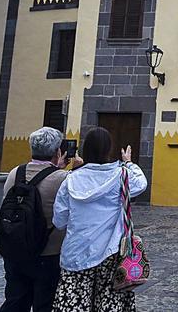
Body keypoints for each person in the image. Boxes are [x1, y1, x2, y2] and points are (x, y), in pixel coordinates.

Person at [52, 127, 147, 312]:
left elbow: (59, 221)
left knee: (73, 305)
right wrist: (128, 163)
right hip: (110, 253)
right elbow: (141, 183)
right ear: (108, 150)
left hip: (76, 253)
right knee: (109, 305)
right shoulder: (121, 176)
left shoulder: (70, 181)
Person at [0, 127, 78, 312]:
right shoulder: (64, 178)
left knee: (15, 300)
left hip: (16, 250)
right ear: (58, 152)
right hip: (48, 253)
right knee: (45, 304)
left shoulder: (15, 173)